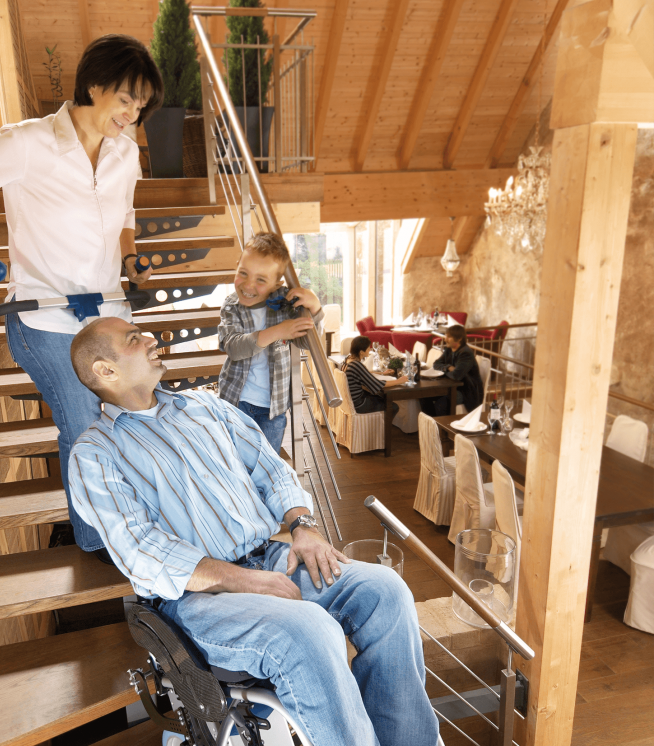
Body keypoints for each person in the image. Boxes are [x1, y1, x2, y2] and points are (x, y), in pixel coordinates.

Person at [66, 316, 439, 746]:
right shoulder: (95, 454)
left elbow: (271, 469)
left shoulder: (207, 407)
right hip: (194, 600)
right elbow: (141, 552)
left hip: (270, 558)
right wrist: (246, 581)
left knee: (385, 591)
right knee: (309, 631)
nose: (152, 339)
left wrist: (303, 525)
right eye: (134, 339)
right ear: (105, 371)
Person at [0, 34, 164, 560]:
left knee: (129, 417)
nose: (132, 114)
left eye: (141, 105)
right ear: (94, 84)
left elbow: (124, 217)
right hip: (44, 322)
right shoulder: (26, 143)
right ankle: (96, 540)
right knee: (83, 421)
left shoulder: (125, 154)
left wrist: (130, 259)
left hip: (107, 317)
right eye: (126, 99)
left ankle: (132, 518)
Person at [217, 233, 324, 453]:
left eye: (261, 279)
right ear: (237, 267)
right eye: (243, 273)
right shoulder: (231, 307)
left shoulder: (286, 305)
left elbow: (308, 341)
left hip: (273, 410)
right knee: (235, 463)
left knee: (267, 465)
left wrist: (315, 307)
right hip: (236, 402)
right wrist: (278, 332)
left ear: (277, 283)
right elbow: (234, 348)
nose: (248, 285)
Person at [420, 324, 483, 417]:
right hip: (451, 387)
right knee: (423, 396)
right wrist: (448, 367)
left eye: (449, 337)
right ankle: (432, 423)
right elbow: (436, 364)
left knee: (442, 401)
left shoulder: (466, 353)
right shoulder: (449, 349)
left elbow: (456, 375)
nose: (445, 339)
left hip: (466, 392)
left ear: (459, 338)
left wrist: (445, 370)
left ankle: (442, 428)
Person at [341, 335, 405, 414]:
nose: (369, 350)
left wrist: (382, 373)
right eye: (368, 348)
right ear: (361, 352)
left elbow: (362, 373)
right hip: (359, 404)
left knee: (380, 398)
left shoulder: (348, 359)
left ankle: (378, 423)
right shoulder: (356, 365)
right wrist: (399, 381)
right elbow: (377, 384)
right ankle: (382, 426)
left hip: (351, 401)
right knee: (393, 407)